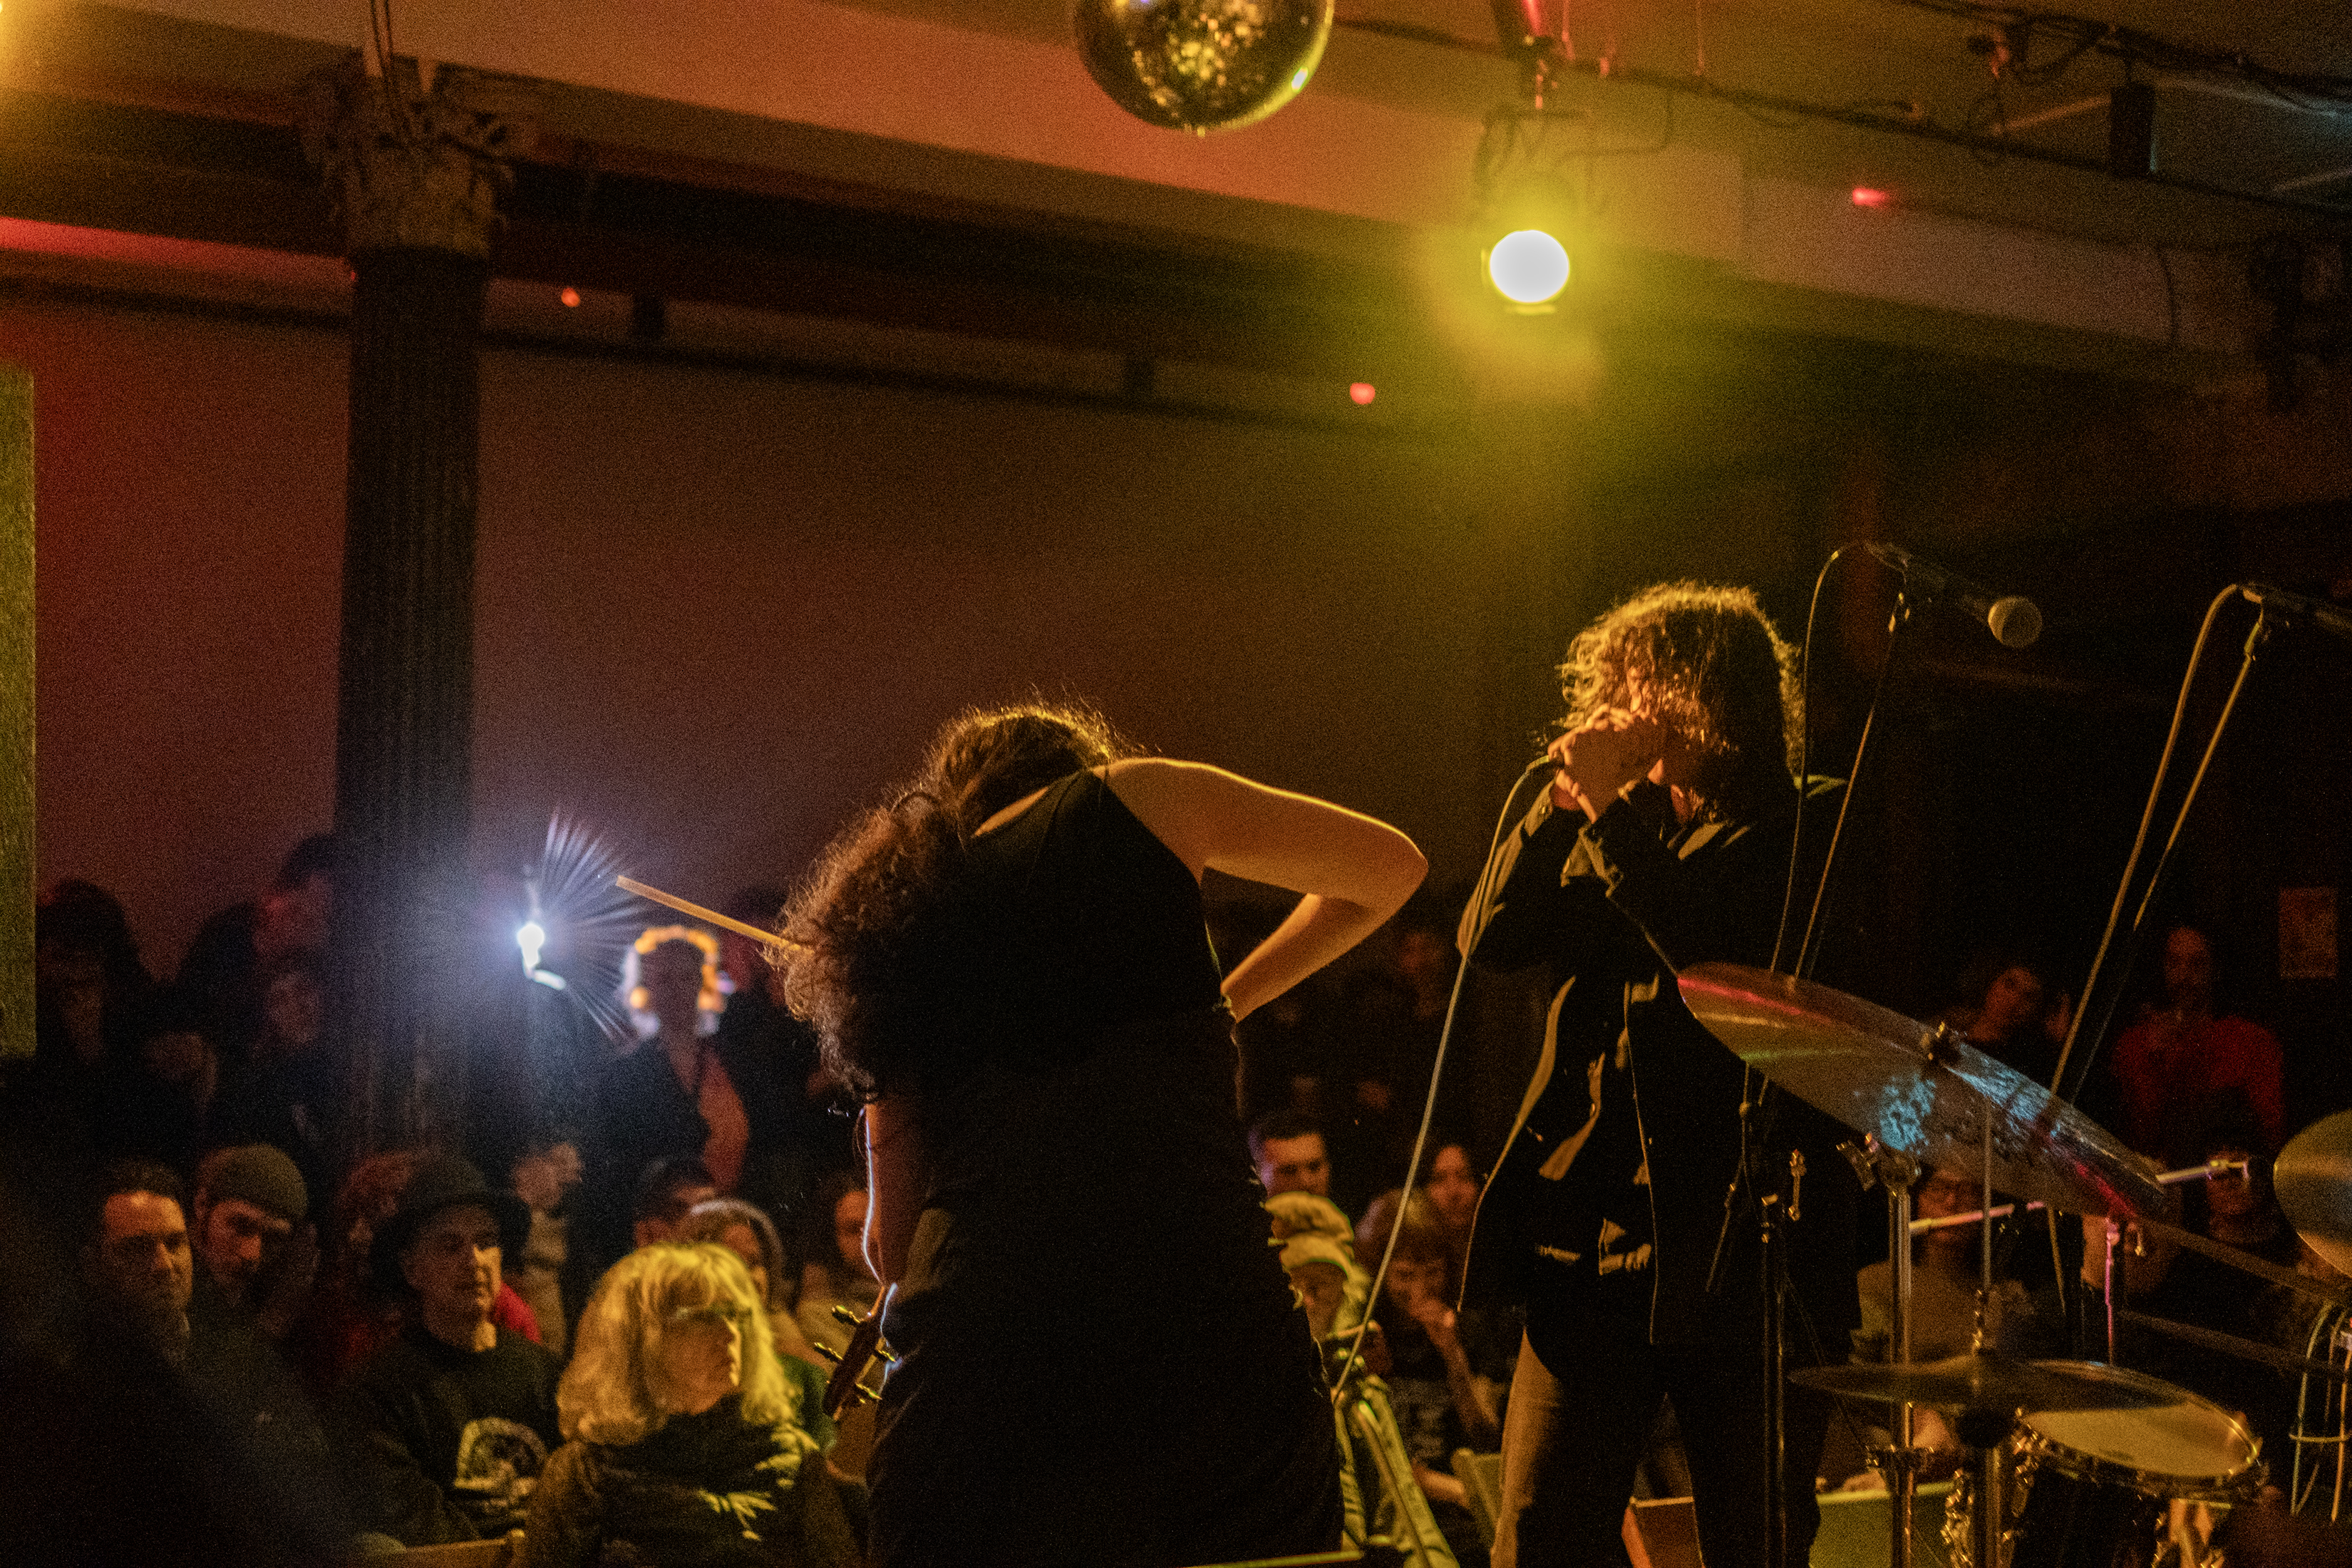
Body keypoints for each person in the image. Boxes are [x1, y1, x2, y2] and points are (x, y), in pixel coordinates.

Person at [778, 701, 1426, 1567]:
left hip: (985, 1363)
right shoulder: (1142, 799)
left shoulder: (901, 918)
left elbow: (892, 1250)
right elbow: (1391, 868)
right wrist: (1229, 1002)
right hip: (1212, 1342)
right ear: (1080, 768)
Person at [1457, 582, 1857, 1568]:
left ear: (1708, 699)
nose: (1621, 710)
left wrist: (1608, 814)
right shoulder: (1612, 822)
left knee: (1753, 1540)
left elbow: (1711, 953)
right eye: (1616, 685)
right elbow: (1491, 939)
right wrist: (1559, 813)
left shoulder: (1807, 820)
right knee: (1542, 1535)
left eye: (1644, 686)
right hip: (1590, 1243)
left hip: (1743, 1252)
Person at [520, 1243, 859, 1568]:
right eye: (703, 1318)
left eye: (735, 1315)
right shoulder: (587, 1474)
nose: (730, 1334)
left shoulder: (793, 1460)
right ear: (642, 1339)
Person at [337, 1153, 562, 1545]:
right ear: (412, 1269)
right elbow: (409, 1515)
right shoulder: (380, 1391)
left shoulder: (546, 1374)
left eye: (487, 1242)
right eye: (449, 1246)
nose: (473, 1260)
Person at [2106, 924, 2286, 1162]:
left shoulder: (2251, 1042)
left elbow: (2269, 1134)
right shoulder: (2135, 1043)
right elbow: (2130, 1134)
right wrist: (2155, 1057)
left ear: (2215, 970)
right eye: (2174, 963)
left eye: (2197, 964)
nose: (2184, 976)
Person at [1250, 1108, 1336, 1202]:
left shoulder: (1347, 1215)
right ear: (1257, 1175)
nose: (1306, 1183)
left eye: (1314, 1167)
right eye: (1288, 1171)